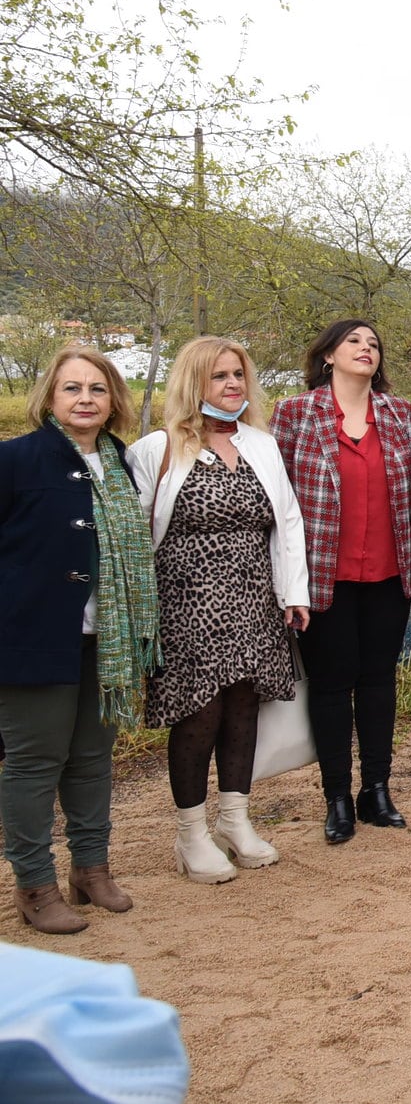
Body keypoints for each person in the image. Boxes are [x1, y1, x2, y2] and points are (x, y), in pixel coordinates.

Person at [127, 337, 310, 882]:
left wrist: (292, 592)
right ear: (192, 383)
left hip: (254, 599)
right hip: (187, 603)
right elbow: (136, 537)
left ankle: (235, 820)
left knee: (243, 710)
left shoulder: (261, 444)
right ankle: (191, 833)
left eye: (237, 375)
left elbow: (288, 521)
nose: (232, 385)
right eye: (218, 377)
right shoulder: (156, 450)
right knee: (197, 714)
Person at [0, 346, 157, 933]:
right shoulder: (15, 460)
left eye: (97, 388)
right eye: (72, 388)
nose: (85, 399)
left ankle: (90, 869)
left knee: (91, 760)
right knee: (35, 762)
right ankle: (34, 885)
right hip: (34, 636)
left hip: (107, 636)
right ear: (49, 398)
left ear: (114, 399)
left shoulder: (122, 464)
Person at [272, 320, 411, 845]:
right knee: (329, 685)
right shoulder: (295, 414)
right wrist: (283, 584)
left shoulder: (397, 413)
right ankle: (337, 798)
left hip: (389, 574)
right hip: (322, 578)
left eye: (373, 344)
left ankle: (377, 790)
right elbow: (275, 503)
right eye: (354, 342)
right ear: (327, 355)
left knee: (377, 684)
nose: (366, 349)